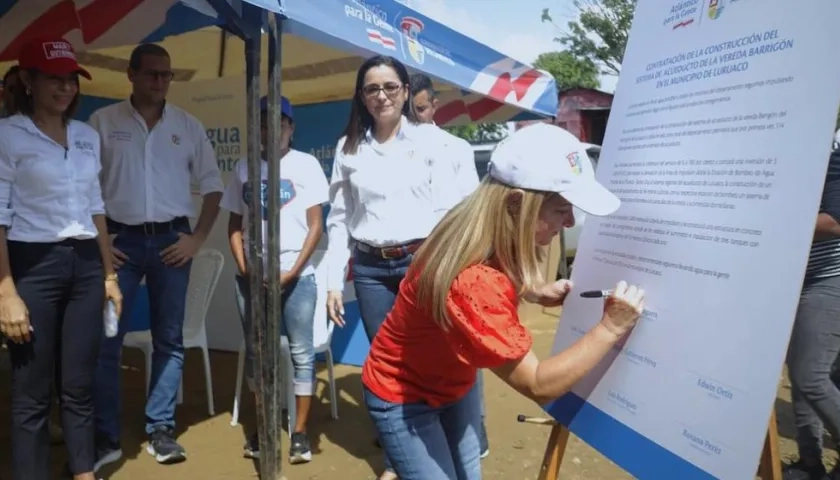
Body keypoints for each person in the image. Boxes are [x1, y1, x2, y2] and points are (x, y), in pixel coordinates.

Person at [361, 123, 645, 479]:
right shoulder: (472, 281)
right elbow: (539, 384)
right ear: (515, 203)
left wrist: (532, 290)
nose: (570, 221)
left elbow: (487, 277)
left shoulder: (474, 227)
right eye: (561, 210)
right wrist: (611, 327)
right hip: (404, 395)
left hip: (451, 383)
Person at [325, 55, 466, 480]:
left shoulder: (430, 144)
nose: (381, 95)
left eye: (390, 86)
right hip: (371, 270)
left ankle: (446, 448)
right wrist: (333, 281)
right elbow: (338, 219)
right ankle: (397, 458)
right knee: (388, 366)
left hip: (422, 264)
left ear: (405, 91)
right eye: (372, 88)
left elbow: (447, 212)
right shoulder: (348, 148)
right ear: (361, 96)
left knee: (432, 359)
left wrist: (441, 269)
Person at [89, 43, 223, 468]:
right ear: (131, 74)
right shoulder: (102, 122)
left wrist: (196, 239)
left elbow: (214, 186)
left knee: (170, 338)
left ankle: (160, 428)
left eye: (166, 74)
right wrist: (102, 242)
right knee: (107, 341)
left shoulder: (187, 125)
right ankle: (105, 436)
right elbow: (83, 187)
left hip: (172, 242)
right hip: (121, 245)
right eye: (151, 73)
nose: (160, 81)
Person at [0, 37, 123, 480]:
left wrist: (108, 275)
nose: (65, 88)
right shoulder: (7, 135)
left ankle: (83, 472)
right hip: (32, 264)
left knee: (78, 386)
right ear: (27, 81)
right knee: (32, 394)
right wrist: (6, 291)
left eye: (71, 79)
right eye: (54, 79)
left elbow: (96, 207)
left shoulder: (87, 135)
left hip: (86, 266)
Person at [221, 95, 328, 464]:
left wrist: (293, 271)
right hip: (253, 279)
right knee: (257, 354)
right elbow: (234, 226)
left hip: (298, 278)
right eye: (264, 123)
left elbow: (316, 226)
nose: (272, 130)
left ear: (290, 128)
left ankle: (299, 433)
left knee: (301, 354)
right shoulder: (244, 167)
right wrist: (246, 269)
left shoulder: (307, 165)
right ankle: (263, 426)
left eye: (279, 123)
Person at [408, 72, 493, 458]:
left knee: (462, 345)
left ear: (434, 106)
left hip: (449, 262)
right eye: (410, 111)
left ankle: (475, 424)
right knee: (416, 349)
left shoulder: (455, 148)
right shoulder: (391, 150)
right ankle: (417, 426)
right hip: (405, 266)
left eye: (422, 109)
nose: (417, 118)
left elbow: (471, 209)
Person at [783, 146, 840, 480]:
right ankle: (810, 462)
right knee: (801, 371)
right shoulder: (798, 160)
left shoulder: (833, 157)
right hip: (800, 279)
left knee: (811, 375)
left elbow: (834, 223)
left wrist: (768, 227)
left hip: (830, 278)